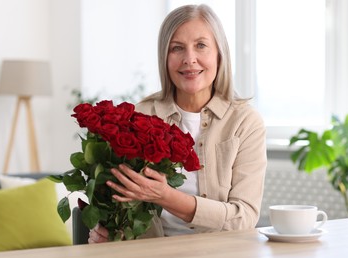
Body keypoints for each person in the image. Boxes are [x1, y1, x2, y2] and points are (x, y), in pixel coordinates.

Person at [88, 4, 267, 243]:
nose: (189, 59)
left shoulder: (245, 122)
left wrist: (165, 196)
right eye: (177, 48)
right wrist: (108, 233)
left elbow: (244, 218)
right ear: (165, 57)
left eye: (201, 45)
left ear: (219, 54)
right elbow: (121, 204)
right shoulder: (140, 115)